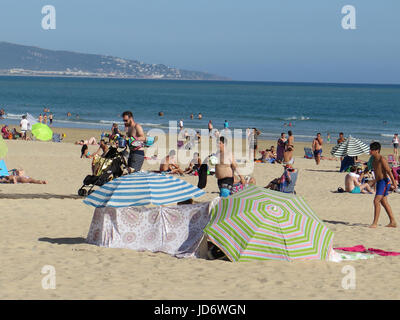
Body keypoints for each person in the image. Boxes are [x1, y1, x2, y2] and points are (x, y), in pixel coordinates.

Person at [369, 142, 397, 228]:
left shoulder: (382, 159)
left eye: (372, 150)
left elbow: (389, 171)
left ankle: (375, 223)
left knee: (376, 201)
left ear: (377, 150)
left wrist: (394, 182)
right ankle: (393, 222)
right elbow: (377, 172)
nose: (370, 151)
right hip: (379, 182)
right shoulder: (373, 159)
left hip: (385, 182)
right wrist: (374, 182)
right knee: (384, 202)